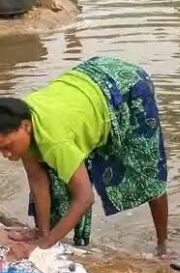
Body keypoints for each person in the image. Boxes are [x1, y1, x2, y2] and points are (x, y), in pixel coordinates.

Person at [0, 56, 169, 255]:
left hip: (127, 84)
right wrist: (42, 234)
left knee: (149, 173)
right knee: (56, 186)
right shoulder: (19, 122)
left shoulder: (55, 141)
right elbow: (37, 180)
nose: (5, 154)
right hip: (87, 84)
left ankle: (163, 245)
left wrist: (45, 246)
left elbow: (84, 198)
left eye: (8, 146)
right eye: (0, 149)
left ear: (26, 127)